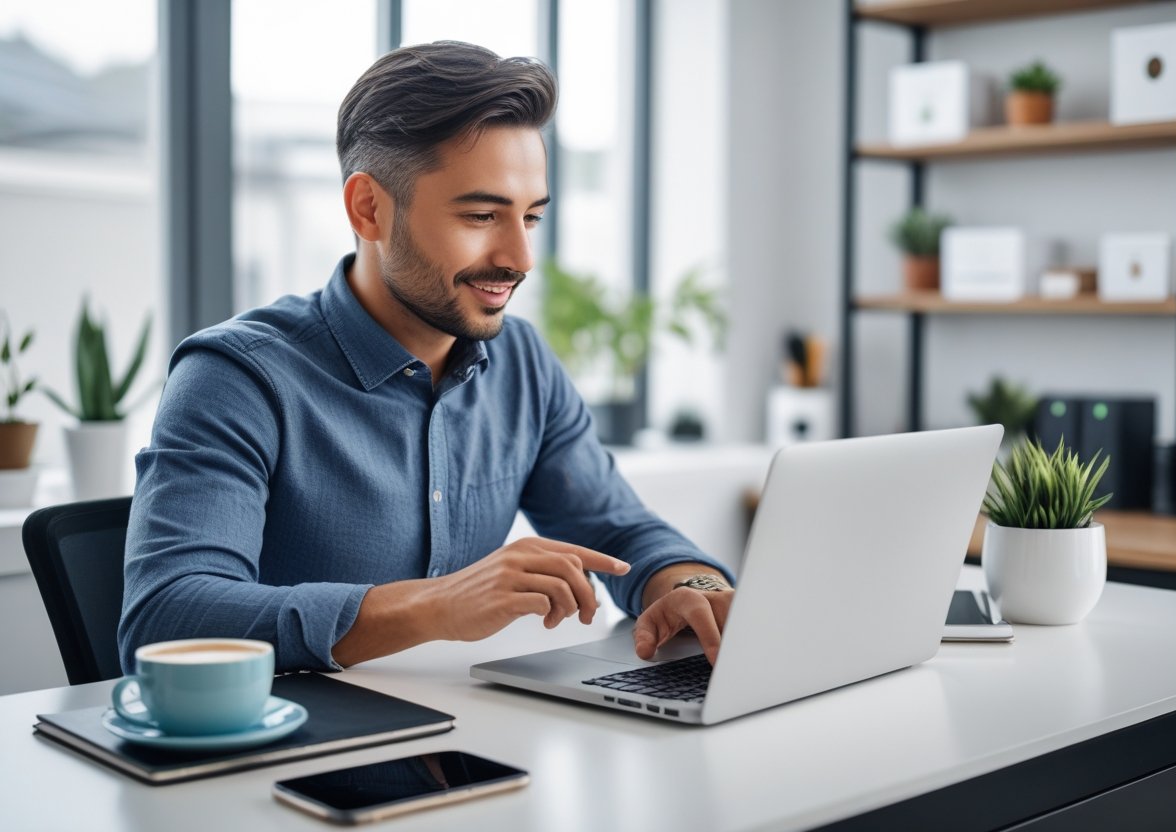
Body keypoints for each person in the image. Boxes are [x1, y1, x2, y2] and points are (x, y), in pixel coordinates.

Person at [118, 41, 734, 676]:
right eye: (480, 215)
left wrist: (700, 593)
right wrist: (435, 606)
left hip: (462, 743)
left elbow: (622, 533)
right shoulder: (236, 378)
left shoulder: (520, 363)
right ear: (369, 208)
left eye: (531, 218)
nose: (520, 259)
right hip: (286, 758)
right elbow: (166, 617)